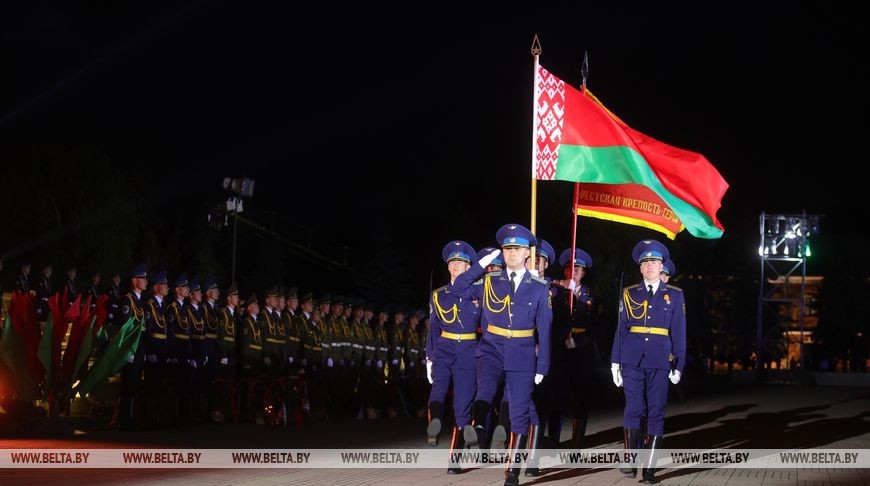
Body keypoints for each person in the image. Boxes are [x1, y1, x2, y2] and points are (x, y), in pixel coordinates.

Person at [451, 223, 552, 486]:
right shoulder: (488, 281)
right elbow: (457, 289)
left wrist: (543, 365)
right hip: (491, 349)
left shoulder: (540, 287)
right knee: (484, 392)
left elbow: (545, 328)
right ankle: (480, 428)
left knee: (518, 412)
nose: (511, 253)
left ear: (527, 253)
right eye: (507, 248)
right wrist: (477, 267)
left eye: (517, 248)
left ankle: (512, 472)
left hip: (522, 353)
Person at [610, 240, 686, 484]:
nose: (650, 266)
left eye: (654, 262)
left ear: (661, 265)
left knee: (655, 411)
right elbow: (621, 330)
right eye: (646, 263)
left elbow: (679, 331)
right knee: (633, 408)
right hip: (632, 357)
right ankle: (631, 461)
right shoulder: (629, 293)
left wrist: (679, 364)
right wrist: (615, 362)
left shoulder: (674, 295)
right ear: (640, 268)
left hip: (660, 358)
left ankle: (650, 470)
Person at [426, 241, 480, 472]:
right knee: (438, 390)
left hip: (468, 350)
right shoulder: (438, 295)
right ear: (448, 267)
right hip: (445, 348)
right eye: (453, 262)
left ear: (469, 268)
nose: (456, 266)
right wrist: (429, 358)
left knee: (462, 406)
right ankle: (434, 427)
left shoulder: (479, 293)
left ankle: (455, 460)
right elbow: (433, 329)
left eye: (461, 263)